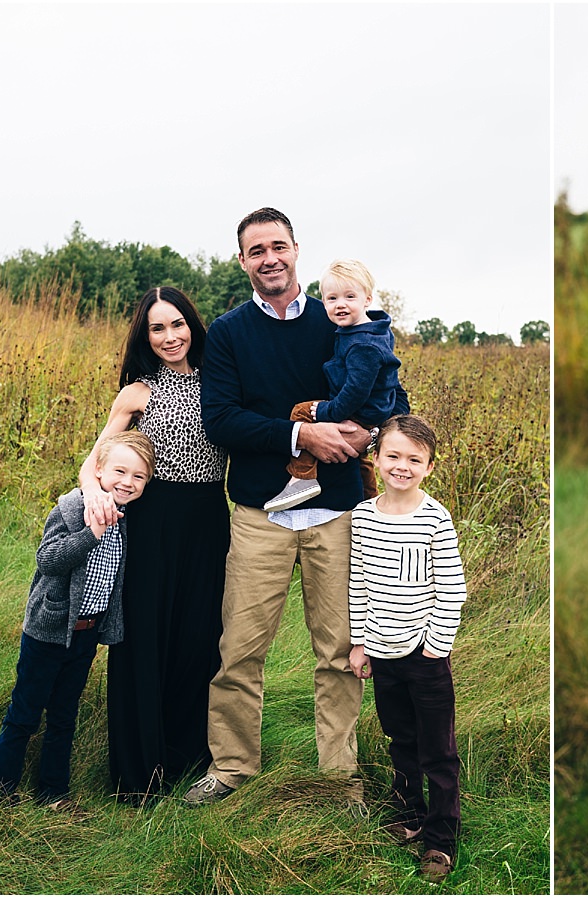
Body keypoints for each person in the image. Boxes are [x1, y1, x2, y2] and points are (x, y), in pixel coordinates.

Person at [189, 207, 405, 807]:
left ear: (296, 250)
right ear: (242, 262)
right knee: (240, 650)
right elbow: (222, 420)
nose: (270, 259)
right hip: (260, 515)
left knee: (338, 652)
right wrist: (300, 437)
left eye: (278, 246)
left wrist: (370, 434)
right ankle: (232, 768)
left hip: (337, 514)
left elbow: (389, 391)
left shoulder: (336, 321)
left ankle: (340, 776)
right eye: (256, 251)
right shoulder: (229, 334)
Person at [80, 286, 230, 806]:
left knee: (198, 637)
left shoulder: (222, 381)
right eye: (157, 328)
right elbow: (95, 458)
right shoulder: (138, 393)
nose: (170, 336)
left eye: (177, 324)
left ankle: (188, 758)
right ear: (146, 337)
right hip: (150, 522)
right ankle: (136, 774)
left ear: (193, 324)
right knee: (143, 639)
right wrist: (95, 494)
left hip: (209, 520)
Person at [0, 431, 155, 809]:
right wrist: (91, 533)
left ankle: (53, 791)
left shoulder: (127, 518)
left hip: (85, 634)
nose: (127, 482)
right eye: (119, 471)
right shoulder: (71, 509)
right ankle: (2, 789)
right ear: (98, 470)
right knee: (26, 711)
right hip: (48, 631)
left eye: (138, 476)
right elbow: (47, 559)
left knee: (65, 714)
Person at [348, 414, 467, 885]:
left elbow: (451, 588)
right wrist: (361, 644)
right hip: (382, 653)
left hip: (425, 655)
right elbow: (359, 583)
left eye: (414, 460)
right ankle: (410, 812)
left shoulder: (434, 518)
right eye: (393, 456)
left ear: (429, 467)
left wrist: (436, 647)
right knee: (402, 740)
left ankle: (441, 838)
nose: (402, 466)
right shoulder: (363, 517)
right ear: (375, 459)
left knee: (438, 749)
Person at [263, 258, 400, 513]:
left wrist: (329, 412)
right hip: (371, 411)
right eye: (332, 299)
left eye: (349, 297)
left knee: (302, 412)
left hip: (362, 410)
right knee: (361, 461)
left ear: (367, 299)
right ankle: (371, 505)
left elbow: (356, 391)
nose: (340, 305)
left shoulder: (363, 344)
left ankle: (302, 477)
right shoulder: (368, 331)